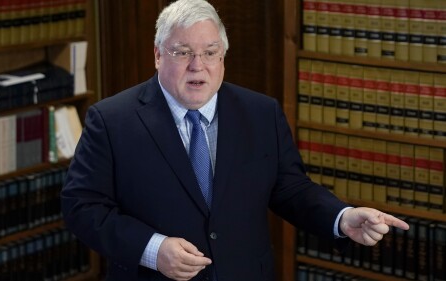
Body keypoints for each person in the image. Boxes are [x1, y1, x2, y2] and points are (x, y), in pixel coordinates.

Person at [61, 0, 409, 280]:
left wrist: (341, 217)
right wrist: (153, 249)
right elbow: (82, 207)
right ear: (158, 55)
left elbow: (290, 188)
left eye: (210, 52)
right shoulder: (111, 119)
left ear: (223, 57)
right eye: (182, 52)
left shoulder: (261, 113)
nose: (198, 66)